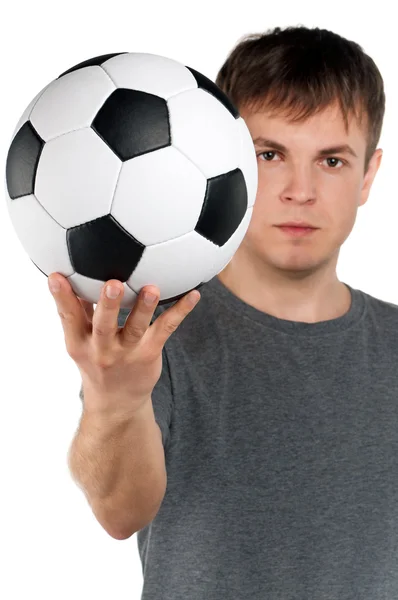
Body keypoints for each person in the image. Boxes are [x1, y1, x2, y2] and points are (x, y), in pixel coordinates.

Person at [48, 26, 398, 600]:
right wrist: (116, 401)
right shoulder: (155, 331)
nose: (301, 190)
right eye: (270, 154)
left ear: (369, 175)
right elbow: (120, 513)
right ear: (229, 160)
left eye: (332, 160)